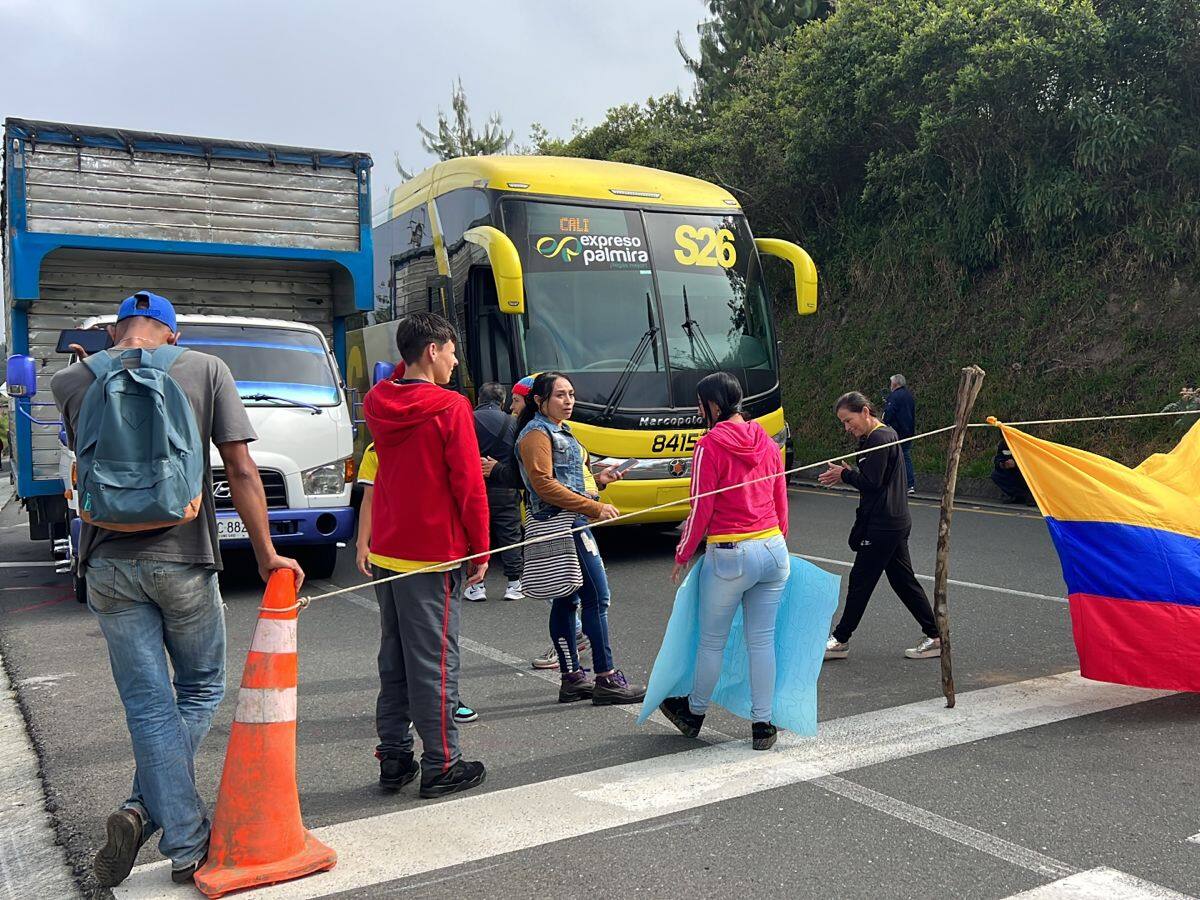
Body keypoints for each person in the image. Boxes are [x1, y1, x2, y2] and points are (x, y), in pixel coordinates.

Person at [50, 291, 303, 889]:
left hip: (106, 563)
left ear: (117, 332)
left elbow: (86, 468)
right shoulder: (205, 369)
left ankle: (178, 834)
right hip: (185, 557)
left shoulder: (71, 380)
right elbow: (240, 468)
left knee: (147, 706)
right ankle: (149, 817)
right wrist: (266, 555)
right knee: (200, 687)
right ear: (171, 333)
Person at [363, 312, 489, 799]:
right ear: (433, 350)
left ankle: (394, 756)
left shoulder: (378, 401)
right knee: (434, 662)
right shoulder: (450, 406)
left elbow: (395, 381)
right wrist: (482, 548)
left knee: (393, 658)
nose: (456, 362)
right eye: (452, 351)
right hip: (432, 553)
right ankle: (442, 763)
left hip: (388, 550)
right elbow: (468, 483)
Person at [659, 372, 790, 751]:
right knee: (762, 641)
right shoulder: (765, 439)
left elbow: (701, 507)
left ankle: (694, 712)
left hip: (731, 554)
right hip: (772, 549)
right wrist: (780, 541)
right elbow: (780, 497)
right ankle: (763, 724)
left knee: (712, 641)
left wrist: (682, 553)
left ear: (712, 406)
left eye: (700, 405)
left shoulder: (708, 445)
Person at [515, 372, 645, 704]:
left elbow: (569, 479)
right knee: (596, 599)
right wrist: (592, 506)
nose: (569, 400)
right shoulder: (535, 435)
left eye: (571, 394)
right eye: (560, 395)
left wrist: (599, 480)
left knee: (566, 599)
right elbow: (543, 484)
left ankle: (573, 678)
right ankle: (606, 677)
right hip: (563, 525)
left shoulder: (562, 430)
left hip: (571, 522)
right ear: (539, 401)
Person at [355, 440, 478, 725]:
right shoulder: (377, 449)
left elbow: (464, 490)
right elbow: (369, 498)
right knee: (398, 638)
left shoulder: (435, 442)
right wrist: (362, 543)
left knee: (440, 638)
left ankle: (448, 699)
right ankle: (411, 708)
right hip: (391, 558)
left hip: (433, 555)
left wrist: (475, 544)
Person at [817, 391, 941, 661]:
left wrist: (845, 474)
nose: (848, 428)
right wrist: (850, 473)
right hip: (894, 520)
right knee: (903, 581)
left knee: (861, 580)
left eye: (849, 420)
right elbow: (876, 477)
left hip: (884, 524)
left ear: (864, 411)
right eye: (843, 423)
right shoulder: (882, 435)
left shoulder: (879, 438)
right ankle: (935, 635)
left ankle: (840, 639)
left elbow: (873, 484)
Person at [467, 382, 524, 601]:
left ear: (479, 399)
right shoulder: (513, 423)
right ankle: (514, 584)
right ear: (502, 402)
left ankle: (476, 586)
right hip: (505, 489)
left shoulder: (469, 419)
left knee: (476, 537)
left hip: (475, 489)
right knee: (510, 536)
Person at [883, 374, 917, 494]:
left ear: (895, 384)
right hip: (909, 431)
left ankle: (894, 483)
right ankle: (910, 484)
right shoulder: (909, 396)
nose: (890, 386)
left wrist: (884, 423)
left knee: (890, 456)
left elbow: (889, 413)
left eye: (891, 383)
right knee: (905, 456)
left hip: (897, 432)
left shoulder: (894, 396)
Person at [991, 436, 1034, 504]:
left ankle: (1030, 496)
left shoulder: (1021, 442)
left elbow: (1029, 459)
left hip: (1024, 470)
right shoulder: (1003, 444)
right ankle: (1018, 496)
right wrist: (1002, 464)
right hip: (1010, 471)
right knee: (995, 475)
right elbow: (998, 458)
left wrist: (1016, 463)